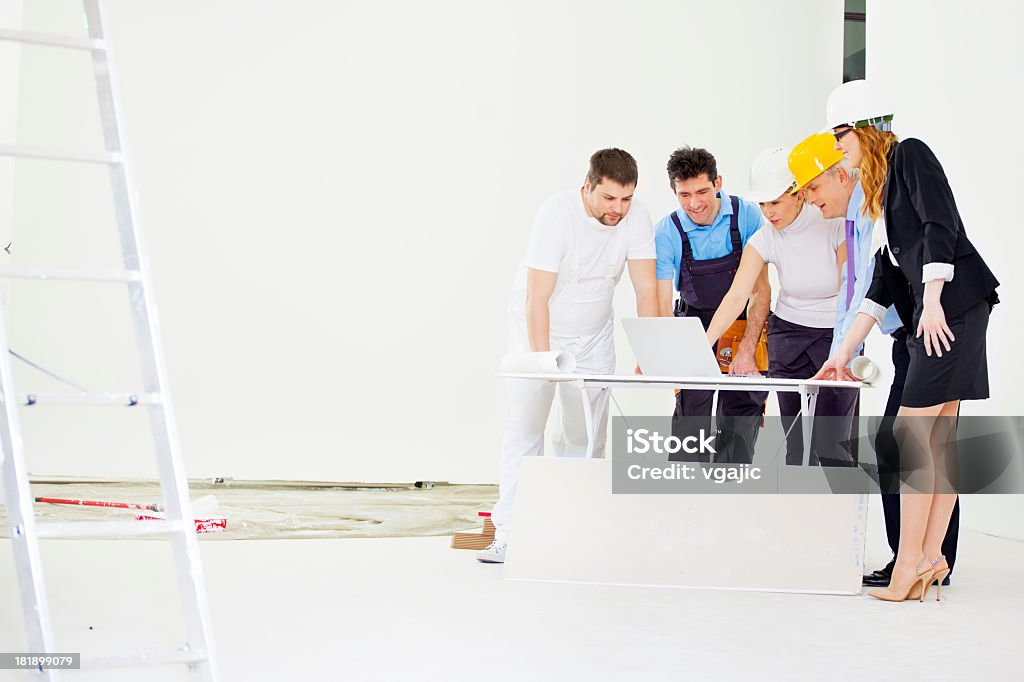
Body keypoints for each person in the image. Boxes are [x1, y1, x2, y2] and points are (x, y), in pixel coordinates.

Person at [814, 80, 999, 601]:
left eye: (841, 137)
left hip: (952, 310)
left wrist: (935, 299)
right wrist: (842, 354)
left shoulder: (911, 155)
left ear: (862, 130)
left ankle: (908, 568)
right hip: (944, 313)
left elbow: (944, 223)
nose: (839, 149)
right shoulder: (881, 192)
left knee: (912, 439)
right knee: (935, 440)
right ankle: (929, 558)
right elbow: (880, 287)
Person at [479, 149, 658, 564]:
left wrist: (650, 348)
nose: (618, 209)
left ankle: (575, 528)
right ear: (588, 186)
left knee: (587, 434)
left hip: (594, 333)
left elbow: (646, 288)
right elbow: (537, 297)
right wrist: (544, 363)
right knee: (526, 429)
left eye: (626, 199)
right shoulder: (556, 215)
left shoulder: (637, 216)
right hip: (537, 328)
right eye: (609, 199)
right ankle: (509, 532)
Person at [703, 147, 848, 466]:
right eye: (763, 204)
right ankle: (798, 512)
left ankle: (836, 511)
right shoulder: (764, 238)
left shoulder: (833, 222)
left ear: (798, 194)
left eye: (776, 202)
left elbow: (849, 286)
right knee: (797, 447)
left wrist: (848, 344)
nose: (768, 212)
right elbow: (737, 295)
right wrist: (703, 347)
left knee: (834, 446)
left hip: (836, 337)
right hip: (788, 339)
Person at [789, 131, 903, 465]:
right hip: (903, 338)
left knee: (907, 451)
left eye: (813, 188)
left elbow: (868, 289)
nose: (809, 199)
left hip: (921, 335)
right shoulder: (852, 221)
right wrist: (839, 356)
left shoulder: (871, 214)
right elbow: (849, 292)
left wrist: (844, 353)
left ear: (841, 175)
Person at [654, 147, 769, 464]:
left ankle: (729, 503)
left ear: (718, 182)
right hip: (694, 327)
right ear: (673, 191)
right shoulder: (667, 232)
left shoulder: (746, 215)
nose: (695, 203)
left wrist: (748, 347)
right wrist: (661, 351)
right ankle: (685, 507)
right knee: (690, 431)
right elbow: (663, 304)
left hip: (744, 325)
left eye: (703, 191)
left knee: (739, 429)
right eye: (685, 194)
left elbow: (760, 290)